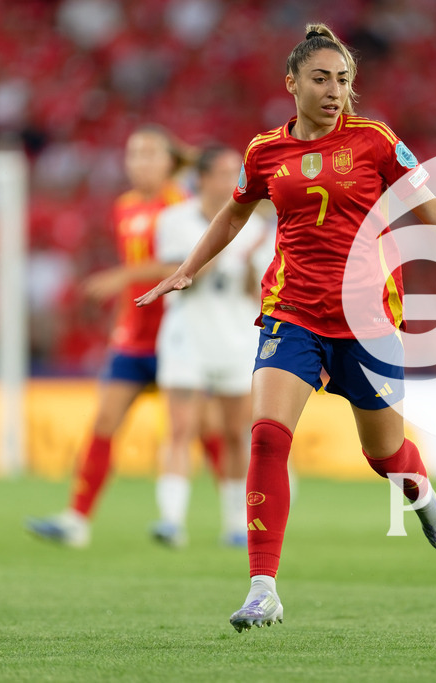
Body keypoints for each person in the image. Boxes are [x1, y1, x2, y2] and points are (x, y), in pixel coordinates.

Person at [136, 23, 436, 632]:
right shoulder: (263, 152)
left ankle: (419, 490)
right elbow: (233, 215)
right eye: (321, 79)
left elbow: (434, 211)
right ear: (292, 84)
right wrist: (186, 270)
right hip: (291, 311)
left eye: (343, 80)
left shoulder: (375, 142)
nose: (335, 90)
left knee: (384, 454)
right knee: (266, 438)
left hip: (366, 320)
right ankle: (263, 587)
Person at [26, 125, 189, 548]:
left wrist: (121, 276)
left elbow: (179, 266)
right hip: (134, 337)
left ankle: (202, 520)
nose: (139, 162)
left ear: (170, 162)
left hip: (177, 335)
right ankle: (76, 519)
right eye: (133, 154)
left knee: (200, 430)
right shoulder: (125, 207)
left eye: (150, 153)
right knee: (104, 421)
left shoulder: (184, 207)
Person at [151, 145, 273, 548]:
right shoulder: (175, 220)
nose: (232, 180)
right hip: (187, 336)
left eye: (235, 172)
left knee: (237, 433)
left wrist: (254, 263)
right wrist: (221, 251)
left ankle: (237, 523)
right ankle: (171, 520)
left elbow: (254, 292)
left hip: (236, 338)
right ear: (202, 178)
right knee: (181, 427)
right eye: (223, 173)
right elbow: (181, 277)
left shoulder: (258, 228)